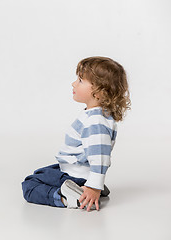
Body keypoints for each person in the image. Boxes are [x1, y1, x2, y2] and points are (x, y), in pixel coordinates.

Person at [22, 56, 131, 211]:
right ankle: (86, 187)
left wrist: (94, 186)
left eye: (80, 80)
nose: (74, 83)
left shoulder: (95, 122)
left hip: (76, 173)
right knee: (43, 172)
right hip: (74, 169)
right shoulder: (99, 115)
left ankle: (68, 198)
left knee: (30, 184)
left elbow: (100, 157)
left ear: (99, 92)